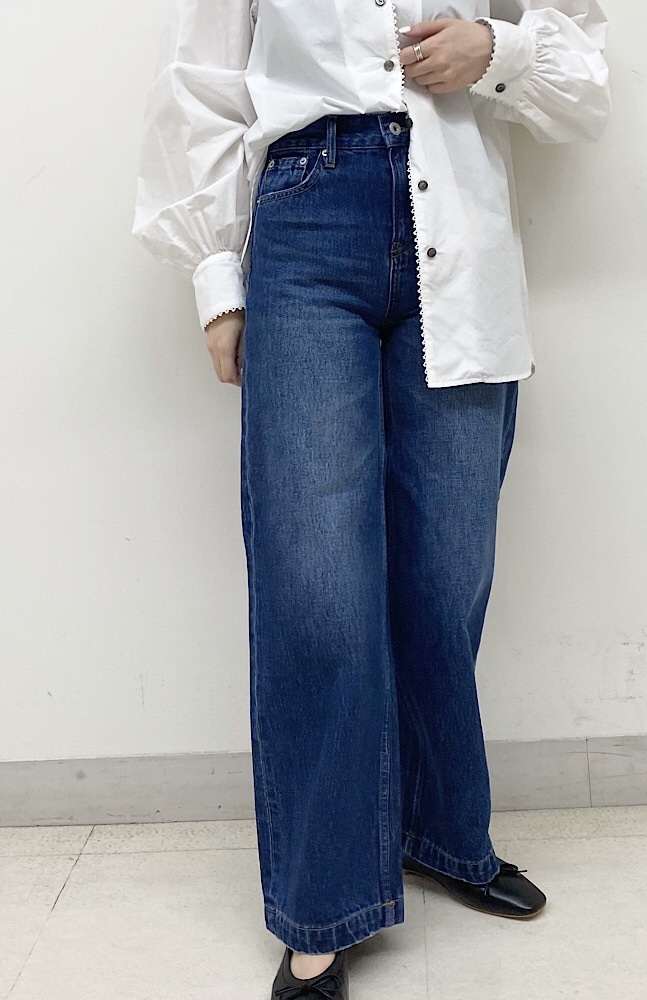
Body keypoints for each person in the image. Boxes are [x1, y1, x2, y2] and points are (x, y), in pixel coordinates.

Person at [132, 2, 611, 997]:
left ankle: (441, 832)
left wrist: (497, 49)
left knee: (446, 574)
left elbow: (585, 80)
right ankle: (322, 904)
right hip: (307, 217)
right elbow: (202, 82)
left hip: (461, 216)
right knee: (316, 585)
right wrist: (217, 279)